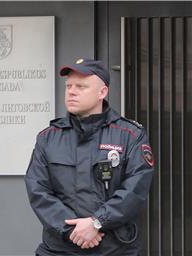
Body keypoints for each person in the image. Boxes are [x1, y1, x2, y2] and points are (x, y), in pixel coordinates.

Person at [25, 58, 154, 256]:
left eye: (81, 86)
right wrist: (73, 230)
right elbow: (38, 190)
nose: (71, 92)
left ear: (102, 92)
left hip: (115, 248)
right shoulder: (48, 138)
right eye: (68, 86)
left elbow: (135, 190)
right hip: (60, 248)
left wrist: (97, 222)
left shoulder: (130, 135)